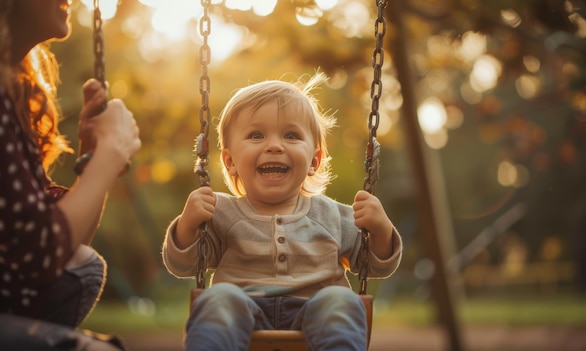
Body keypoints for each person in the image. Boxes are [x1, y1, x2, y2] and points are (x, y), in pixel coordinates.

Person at [162, 72, 402, 351]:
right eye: (256, 135)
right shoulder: (220, 212)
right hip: (243, 312)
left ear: (314, 161)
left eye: (291, 135)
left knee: (340, 301)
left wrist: (381, 228)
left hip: (316, 312)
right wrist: (188, 226)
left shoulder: (334, 216)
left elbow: (373, 265)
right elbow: (183, 265)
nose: (274, 145)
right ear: (230, 162)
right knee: (219, 299)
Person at [0, 1, 141, 350]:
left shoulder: (12, 90)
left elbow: (63, 245)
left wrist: (92, 153)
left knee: (84, 265)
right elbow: (40, 251)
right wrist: (108, 155)